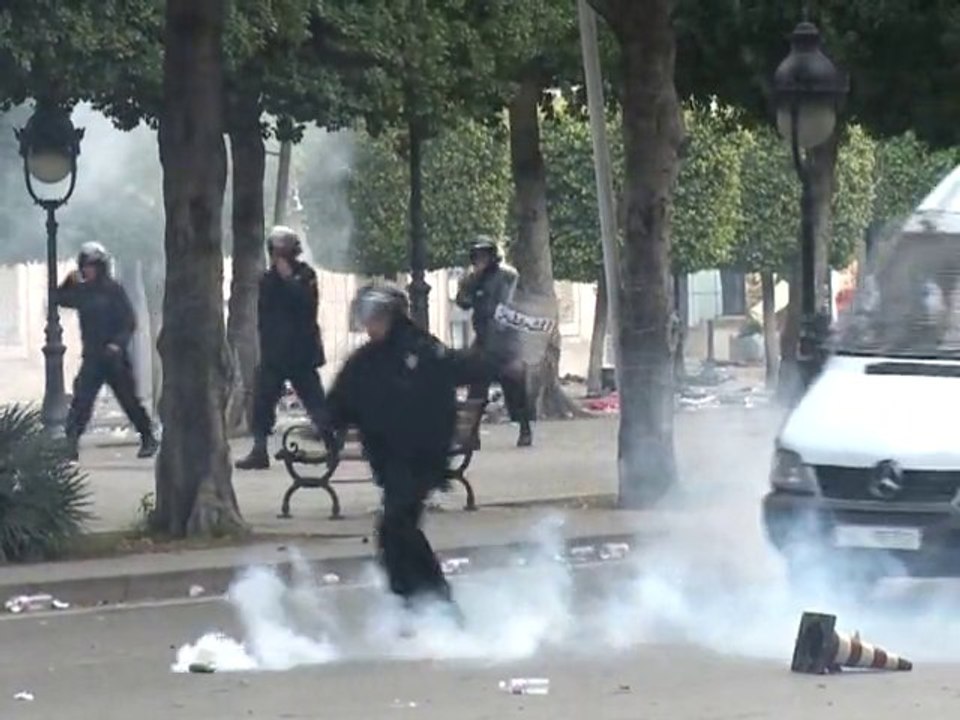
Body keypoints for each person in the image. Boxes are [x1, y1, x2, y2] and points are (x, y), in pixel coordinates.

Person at [324, 285, 483, 620]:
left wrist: (501, 362)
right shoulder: (367, 360)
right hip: (391, 458)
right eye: (368, 319)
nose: (371, 326)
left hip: (421, 456)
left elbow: (457, 370)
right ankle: (416, 600)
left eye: (376, 318)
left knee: (397, 524)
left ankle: (434, 601)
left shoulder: (421, 350)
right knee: (395, 531)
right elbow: (343, 397)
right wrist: (329, 423)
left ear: (391, 316)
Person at [236, 226, 336, 470]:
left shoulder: (306, 275)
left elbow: (305, 305)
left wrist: (288, 279)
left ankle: (332, 444)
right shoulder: (268, 279)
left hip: (301, 353)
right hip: (275, 354)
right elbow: (265, 314)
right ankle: (259, 450)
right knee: (262, 402)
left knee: (315, 401)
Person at [57, 242, 157, 462]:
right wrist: (68, 282)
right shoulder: (82, 292)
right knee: (81, 402)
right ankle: (70, 443)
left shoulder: (114, 290)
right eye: (84, 266)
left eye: (91, 266)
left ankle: (148, 437)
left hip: (114, 358)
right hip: (92, 356)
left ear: (100, 267)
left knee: (129, 400)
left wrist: (117, 344)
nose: (87, 270)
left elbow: (129, 321)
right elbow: (60, 299)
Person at [455, 236, 533, 447]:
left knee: (514, 387)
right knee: (477, 386)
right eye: (477, 256)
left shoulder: (507, 276)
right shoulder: (473, 278)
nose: (480, 259)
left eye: (484, 255)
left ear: (492, 256)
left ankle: (525, 428)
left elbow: (507, 305)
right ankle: (472, 434)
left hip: (505, 339)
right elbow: (463, 302)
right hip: (483, 338)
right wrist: (469, 283)